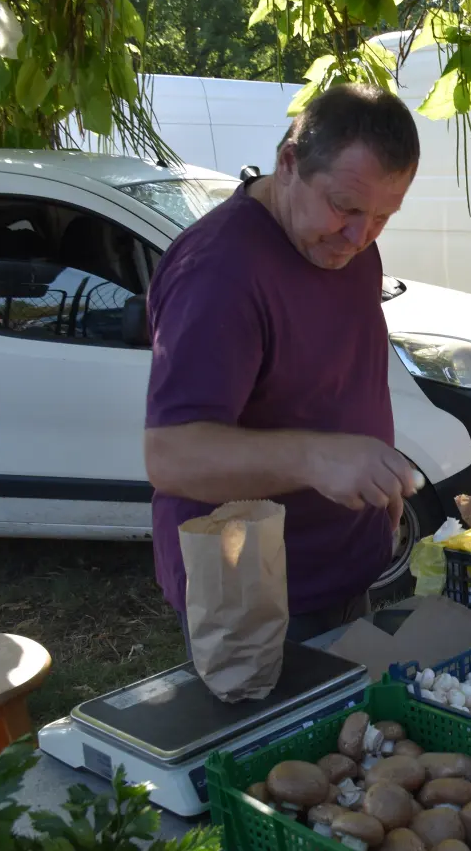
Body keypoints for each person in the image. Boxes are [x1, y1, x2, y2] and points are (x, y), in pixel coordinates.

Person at [144, 83, 423, 645]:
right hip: (255, 601)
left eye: (382, 217)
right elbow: (170, 456)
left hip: (346, 572)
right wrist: (318, 458)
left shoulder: (349, 243)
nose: (360, 236)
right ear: (289, 162)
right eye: (344, 207)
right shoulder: (219, 272)